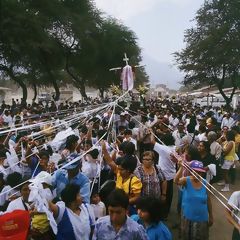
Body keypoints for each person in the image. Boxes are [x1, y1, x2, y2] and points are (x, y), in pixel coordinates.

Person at [174, 160, 213, 240]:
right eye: (195, 171)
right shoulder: (186, 180)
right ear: (191, 171)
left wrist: (211, 216)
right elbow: (176, 181)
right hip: (188, 218)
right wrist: (181, 167)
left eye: (199, 172)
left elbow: (208, 200)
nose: (197, 174)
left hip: (202, 219)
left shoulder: (205, 183)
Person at [101, 141, 142, 210]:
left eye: (121, 169)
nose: (119, 170)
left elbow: (137, 197)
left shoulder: (135, 181)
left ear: (128, 170)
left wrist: (123, 203)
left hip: (127, 209)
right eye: (119, 168)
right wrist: (104, 149)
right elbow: (110, 161)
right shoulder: (119, 173)